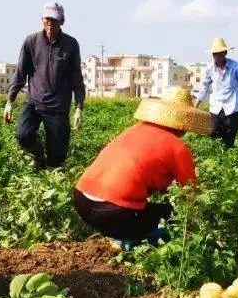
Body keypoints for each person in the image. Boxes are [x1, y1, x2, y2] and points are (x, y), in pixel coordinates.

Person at [73, 86, 212, 250]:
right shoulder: (178, 148)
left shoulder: (135, 129)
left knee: (149, 210)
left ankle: (122, 233)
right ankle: (131, 240)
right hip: (114, 213)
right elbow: (191, 196)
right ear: (184, 124)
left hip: (81, 201)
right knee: (175, 217)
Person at [4, 2, 86, 170]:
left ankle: (50, 167)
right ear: (42, 19)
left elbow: (76, 78)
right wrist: (9, 102)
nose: (50, 22)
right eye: (47, 18)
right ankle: (38, 155)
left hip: (58, 107)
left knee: (56, 161)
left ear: (61, 21)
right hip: (34, 102)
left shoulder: (71, 45)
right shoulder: (31, 42)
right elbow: (20, 73)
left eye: (54, 20)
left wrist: (78, 108)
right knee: (23, 134)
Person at [194, 37, 238, 148]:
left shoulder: (236, 67)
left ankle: (228, 160)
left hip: (232, 106)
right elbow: (204, 86)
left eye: (219, 54)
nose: (216, 56)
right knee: (213, 133)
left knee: (229, 138)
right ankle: (216, 158)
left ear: (225, 53)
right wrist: (196, 104)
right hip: (216, 106)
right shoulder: (209, 68)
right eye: (214, 54)